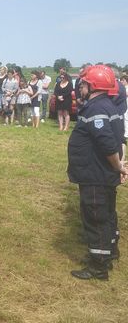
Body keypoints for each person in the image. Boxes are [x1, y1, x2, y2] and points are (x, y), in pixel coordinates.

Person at [68, 65, 127, 280]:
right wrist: (119, 164)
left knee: (95, 217)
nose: (81, 86)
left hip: (95, 175)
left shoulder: (96, 108)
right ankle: (109, 253)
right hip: (102, 174)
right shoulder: (109, 106)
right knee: (108, 215)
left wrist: (118, 166)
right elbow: (120, 140)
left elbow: (107, 144)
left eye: (83, 83)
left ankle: (98, 267)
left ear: (93, 86)